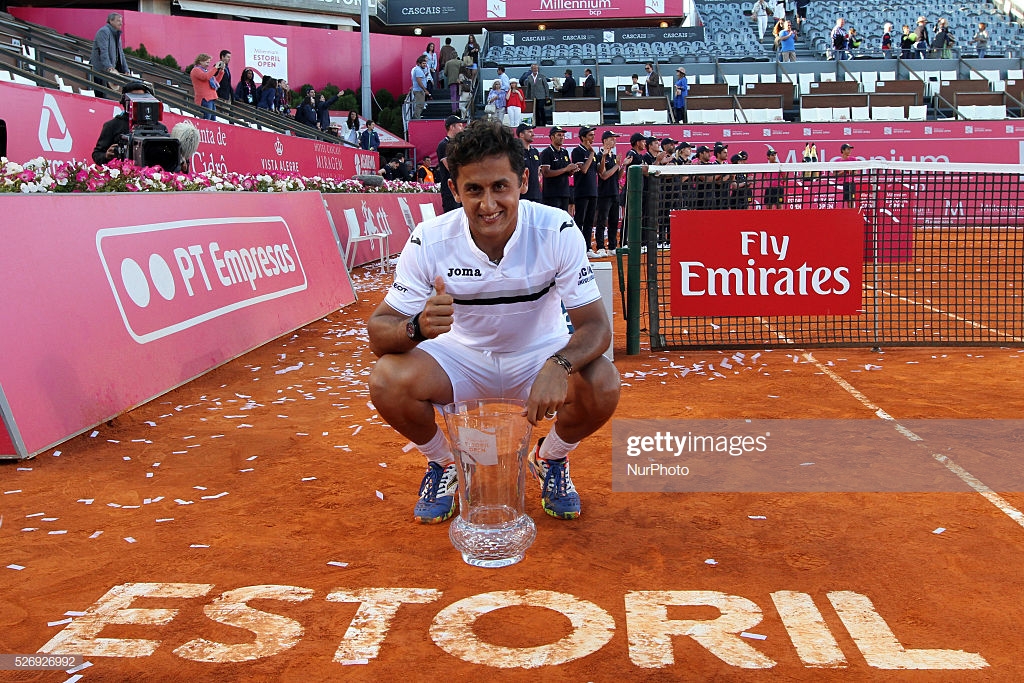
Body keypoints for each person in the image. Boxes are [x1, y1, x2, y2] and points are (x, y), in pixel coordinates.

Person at [366, 118, 620, 524]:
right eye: (474, 190)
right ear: (454, 190)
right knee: (387, 379)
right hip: (460, 359)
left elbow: (596, 327)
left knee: (602, 382)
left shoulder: (556, 229)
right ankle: (445, 464)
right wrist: (415, 326)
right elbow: (379, 332)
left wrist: (560, 364)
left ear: (522, 182)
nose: (488, 205)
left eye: (500, 186)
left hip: (538, 356)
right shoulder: (429, 238)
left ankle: (549, 458)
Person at [92, 80, 169, 166]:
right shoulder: (112, 125)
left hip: (152, 175)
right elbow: (97, 154)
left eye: (142, 98)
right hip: (123, 175)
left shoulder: (160, 128)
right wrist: (106, 156)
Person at [571, 126, 599, 257]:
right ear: (583, 137)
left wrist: (600, 156)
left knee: (589, 221)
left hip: (593, 190)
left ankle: (587, 248)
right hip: (582, 191)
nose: (593, 138)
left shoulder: (592, 152)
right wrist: (592, 154)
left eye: (593, 135)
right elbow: (584, 170)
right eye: (590, 135)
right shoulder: (577, 151)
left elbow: (598, 170)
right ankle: (577, 248)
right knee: (579, 221)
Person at [594, 130, 621, 257]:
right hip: (604, 193)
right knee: (602, 221)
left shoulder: (614, 156)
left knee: (614, 221)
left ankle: (612, 246)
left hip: (615, 192)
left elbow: (617, 176)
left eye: (615, 138)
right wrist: (617, 166)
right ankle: (600, 246)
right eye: (611, 138)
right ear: (604, 141)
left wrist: (622, 166)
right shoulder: (599, 155)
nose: (614, 141)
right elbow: (603, 175)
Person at [540, 126, 578, 211]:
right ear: (552, 137)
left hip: (564, 193)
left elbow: (568, 172)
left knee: (562, 220)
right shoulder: (546, 152)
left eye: (563, 135)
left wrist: (572, 170)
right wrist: (565, 169)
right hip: (552, 194)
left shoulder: (564, 152)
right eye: (559, 135)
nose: (562, 137)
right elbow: (546, 173)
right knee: (552, 220)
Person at [437, 115, 467, 213]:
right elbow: (450, 167)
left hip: (461, 186)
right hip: (450, 189)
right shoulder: (443, 145)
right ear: (451, 127)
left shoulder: (459, 144)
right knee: (452, 216)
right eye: (459, 125)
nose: (462, 128)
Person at [90, 13, 127, 90]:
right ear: (111, 21)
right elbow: (103, 51)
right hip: (99, 71)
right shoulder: (104, 31)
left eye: (121, 21)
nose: (121, 23)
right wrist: (109, 67)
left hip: (109, 72)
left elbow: (121, 54)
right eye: (118, 21)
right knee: (100, 94)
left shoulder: (117, 34)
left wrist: (126, 70)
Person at [189, 53, 225, 120]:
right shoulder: (196, 70)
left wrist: (221, 71)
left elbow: (216, 81)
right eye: (207, 62)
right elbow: (205, 77)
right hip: (204, 99)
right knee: (206, 120)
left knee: (213, 121)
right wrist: (215, 68)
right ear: (200, 61)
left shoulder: (205, 71)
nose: (208, 64)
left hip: (211, 98)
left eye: (209, 62)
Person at [517, 123, 543, 203]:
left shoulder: (534, 151)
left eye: (532, 132)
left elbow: (539, 171)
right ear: (521, 134)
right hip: (522, 195)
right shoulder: (515, 151)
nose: (533, 134)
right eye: (529, 132)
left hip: (536, 194)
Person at [522, 64, 550, 128]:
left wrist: (547, 95)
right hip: (533, 96)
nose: (535, 70)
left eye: (536, 68)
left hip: (541, 96)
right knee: (536, 110)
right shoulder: (529, 77)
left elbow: (546, 86)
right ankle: (537, 124)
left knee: (541, 108)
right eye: (534, 68)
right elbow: (528, 88)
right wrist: (527, 96)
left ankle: (544, 122)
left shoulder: (541, 76)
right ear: (531, 69)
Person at [837, 142, 858, 207]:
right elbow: (835, 174)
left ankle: (851, 214)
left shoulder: (853, 159)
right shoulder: (837, 161)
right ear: (843, 150)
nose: (850, 151)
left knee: (851, 200)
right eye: (848, 149)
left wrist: (850, 171)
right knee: (841, 202)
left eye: (850, 149)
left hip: (851, 183)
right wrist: (844, 171)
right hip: (840, 184)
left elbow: (856, 172)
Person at [411, 54, 430, 120]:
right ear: (419, 63)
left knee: (421, 104)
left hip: (420, 90)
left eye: (425, 63)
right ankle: (416, 118)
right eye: (423, 63)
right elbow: (419, 81)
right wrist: (425, 90)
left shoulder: (419, 70)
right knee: (420, 105)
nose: (425, 65)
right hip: (419, 90)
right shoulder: (418, 70)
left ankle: (416, 117)